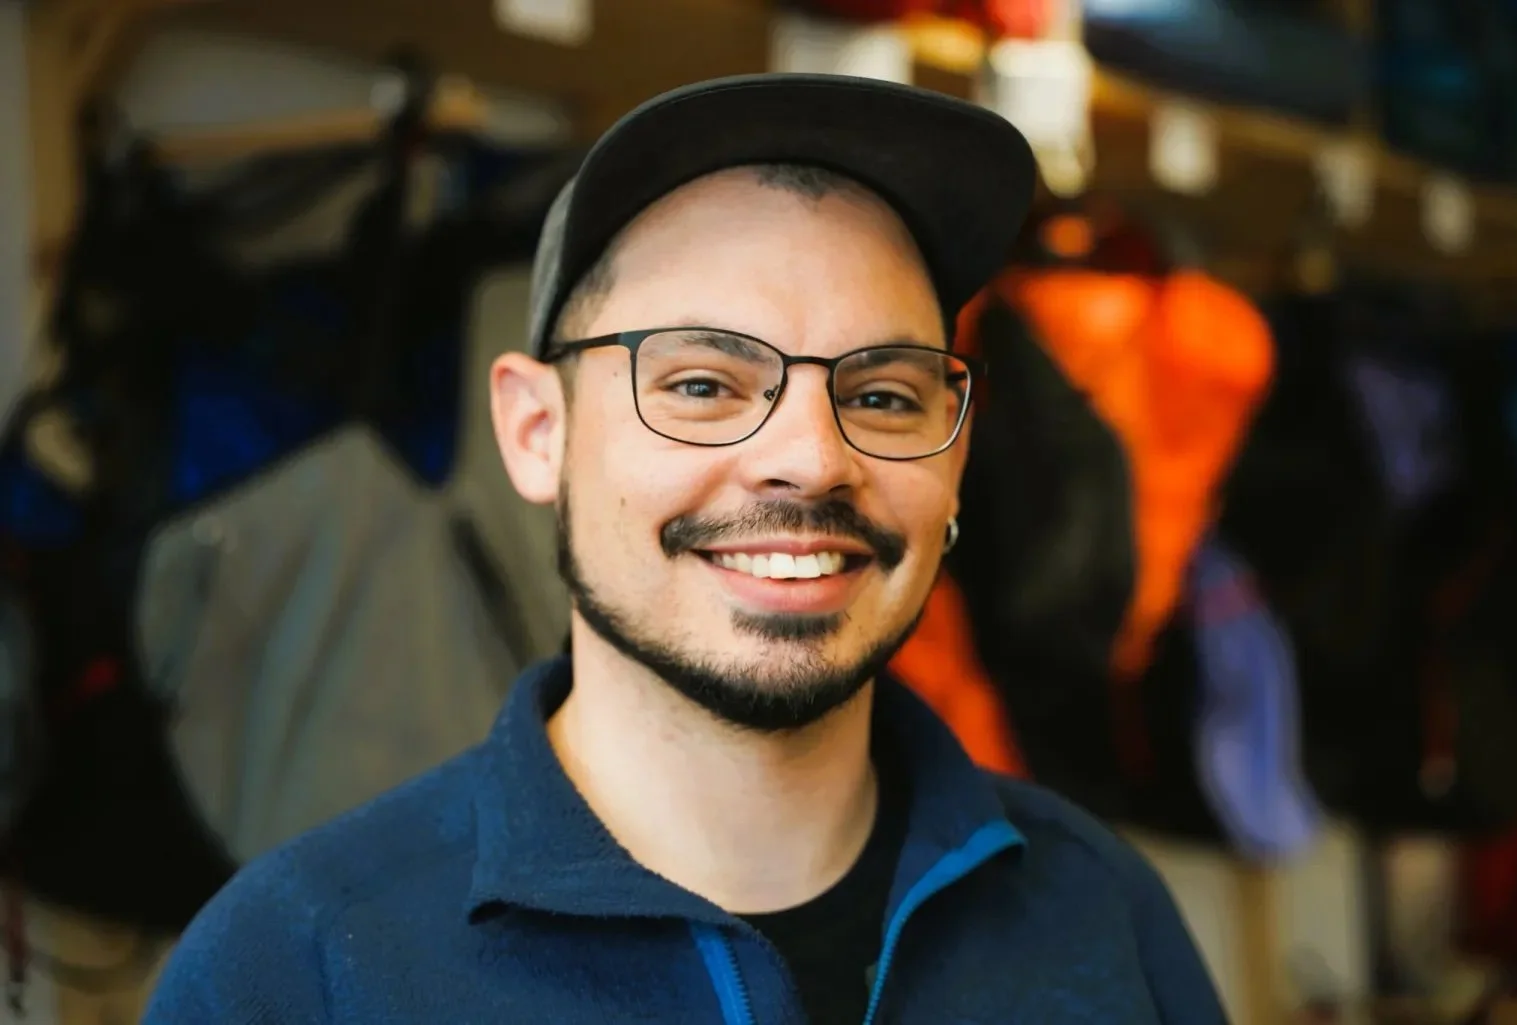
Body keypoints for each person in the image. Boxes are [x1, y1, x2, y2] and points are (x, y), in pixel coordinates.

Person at [144, 72, 1229, 1024]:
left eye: (885, 392)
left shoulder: (1103, 912)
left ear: (954, 453)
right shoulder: (296, 966)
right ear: (537, 432)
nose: (810, 460)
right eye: (704, 385)